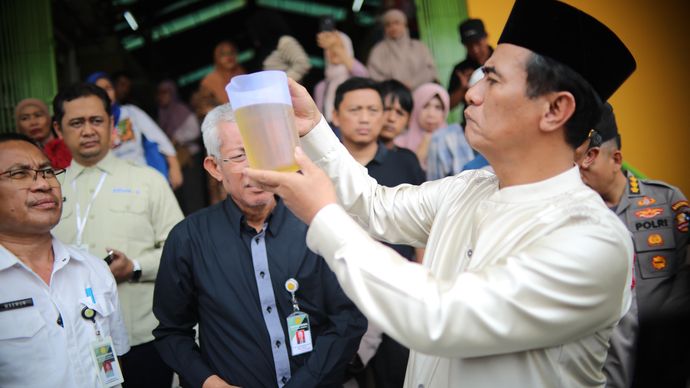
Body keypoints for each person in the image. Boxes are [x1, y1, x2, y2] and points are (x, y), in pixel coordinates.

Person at [244, 0, 638, 386]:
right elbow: (377, 206)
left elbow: (440, 317)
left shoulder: (592, 240)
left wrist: (323, 214)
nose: (471, 92)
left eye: (493, 79)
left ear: (554, 110)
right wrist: (313, 128)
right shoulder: (471, 186)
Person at [152, 104, 366, 388]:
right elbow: (171, 333)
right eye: (240, 156)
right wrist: (209, 382)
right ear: (214, 167)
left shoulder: (315, 223)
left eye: (263, 152)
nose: (256, 169)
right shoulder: (189, 239)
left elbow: (348, 318)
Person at [51, 83, 183, 388]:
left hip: (142, 336)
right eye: (76, 122)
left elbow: (179, 252)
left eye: (96, 121)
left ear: (112, 124)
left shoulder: (149, 180)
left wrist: (135, 266)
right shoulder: (48, 189)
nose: (87, 130)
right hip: (70, 340)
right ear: (58, 130)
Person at [0, 133, 129, 388]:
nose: (44, 184)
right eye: (19, 174)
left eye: (47, 171)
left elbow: (113, 365)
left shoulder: (93, 270)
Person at [575, 104, 690, 388]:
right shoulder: (577, 214)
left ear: (616, 159)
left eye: (590, 158)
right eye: (577, 160)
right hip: (607, 361)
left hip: (667, 354)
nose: (581, 168)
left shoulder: (665, 200)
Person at [332, 77, 425, 388]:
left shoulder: (405, 162)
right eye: (355, 109)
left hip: (396, 296)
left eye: (373, 109)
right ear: (334, 115)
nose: (364, 117)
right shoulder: (324, 168)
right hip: (337, 295)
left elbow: (423, 229)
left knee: (398, 375)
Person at [86, 72, 183, 190]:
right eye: (99, 90)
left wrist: (174, 166)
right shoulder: (89, 126)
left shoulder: (131, 113)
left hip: (144, 182)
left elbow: (158, 138)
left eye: (108, 88)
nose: (105, 93)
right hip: (113, 189)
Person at [157, 80, 206, 215]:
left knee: (193, 193)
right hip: (177, 160)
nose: (162, 96)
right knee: (182, 196)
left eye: (165, 93)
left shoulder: (181, 110)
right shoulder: (163, 113)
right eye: (159, 93)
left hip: (190, 158)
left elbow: (194, 130)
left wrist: (176, 138)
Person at [367, 9, 438, 90]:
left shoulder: (419, 47)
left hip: (421, 94)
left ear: (405, 25)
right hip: (391, 96)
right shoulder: (378, 50)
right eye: (388, 25)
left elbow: (430, 70)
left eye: (396, 23)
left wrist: (412, 83)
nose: (393, 27)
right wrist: (396, 86)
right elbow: (373, 75)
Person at [313, 30, 369, 124]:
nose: (334, 52)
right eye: (329, 48)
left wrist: (335, 46)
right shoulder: (321, 87)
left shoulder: (354, 78)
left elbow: (364, 76)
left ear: (347, 49)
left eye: (340, 47)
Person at [247, 10, 311, 83]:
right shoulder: (262, 50)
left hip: (283, 92)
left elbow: (303, 64)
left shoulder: (284, 42)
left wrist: (281, 83)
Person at [447, 19, 493, 110]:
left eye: (478, 43)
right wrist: (462, 88)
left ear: (486, 37)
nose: (475, 49)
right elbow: (448, 105)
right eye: (469, 45)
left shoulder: (500, 60)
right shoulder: (461, 70)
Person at [15, 98, 72, 169]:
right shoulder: (15, 156)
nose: (33, 122)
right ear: (18, 125)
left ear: (48, 119)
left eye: (38, 115)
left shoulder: (70, 147)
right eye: (25, 118)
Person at [199, 41, 246, 106]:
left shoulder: (240, 72)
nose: (228, 57)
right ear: (217, 58)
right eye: (223, 54)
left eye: (231, 52)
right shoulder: (209, 81)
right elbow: (204, 106)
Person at [378, 79, 413, 150]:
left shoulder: (408, 159)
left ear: (408, 120)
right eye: (386, 109)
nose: (391, 118)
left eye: (400, 113)